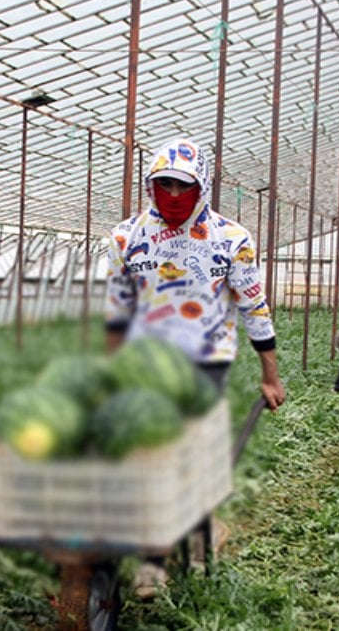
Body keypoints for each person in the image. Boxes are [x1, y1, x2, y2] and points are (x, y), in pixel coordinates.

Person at [105, 137, 285, 598]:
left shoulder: (231, 239)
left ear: (201, 186)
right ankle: (154, 557)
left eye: (182, 185)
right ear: (150, 184)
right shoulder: (126, 237)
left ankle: (200, 535)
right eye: (163, 183)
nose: (172, 194)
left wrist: (270, 374)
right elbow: (116, 311)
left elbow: (253, 306)